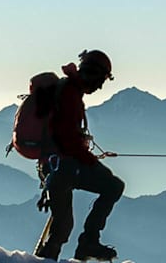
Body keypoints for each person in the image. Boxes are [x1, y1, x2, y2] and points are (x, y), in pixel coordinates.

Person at [34, 49, 127, 261]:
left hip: (56, 165)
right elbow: (67, 138)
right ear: (93, 73)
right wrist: (89, 159)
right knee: (112, 187)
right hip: (64, 166)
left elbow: (62, 133)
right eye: (101, 79)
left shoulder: (68, 90)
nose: (100, 85)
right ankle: (88, 243)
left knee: (62, 225)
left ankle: (68, 250)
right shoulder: (69, 94)